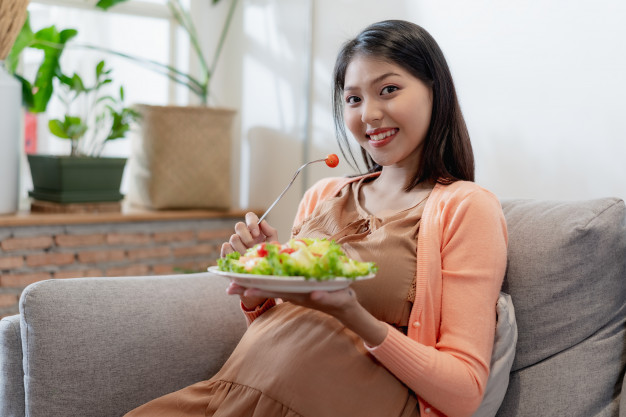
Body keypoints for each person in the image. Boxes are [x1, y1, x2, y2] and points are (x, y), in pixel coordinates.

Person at [125, 19, 508, 417]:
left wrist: (352, 314)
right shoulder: (323, 194)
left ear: (436, 91)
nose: (369, 114)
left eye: (389, 90)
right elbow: (285, 329)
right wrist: (261, 286)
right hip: (228, 394)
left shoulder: (466, 207)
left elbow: (464, 392)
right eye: (353, 99)